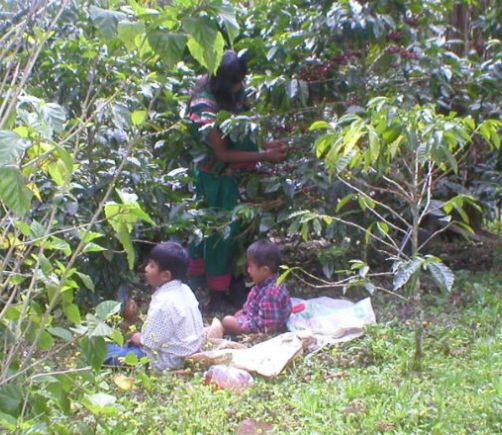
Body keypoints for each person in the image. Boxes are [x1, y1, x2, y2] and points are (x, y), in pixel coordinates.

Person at [187, 50, 287, 298]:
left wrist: (266, 145)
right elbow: (222, 153)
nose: (242, 85)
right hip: (216, 181)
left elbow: (241, 130)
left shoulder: (232, 91)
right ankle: (217, 290)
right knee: (220, 234)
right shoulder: (204, 106)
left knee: (239, 232)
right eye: (237, 81)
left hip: (239, 176)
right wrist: (265, 155)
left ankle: (236, 280)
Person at [105, 242, 204, 371]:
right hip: (185, 353)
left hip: (166, 360)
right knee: (122, 349)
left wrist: (138, 337)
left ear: (165, 275)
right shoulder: (185, 290)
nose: (146, 268)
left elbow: (150, 342)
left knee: (108, 353)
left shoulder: (163, 302)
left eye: (152, 266)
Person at [219, 239, 292, 335]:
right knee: (235, 315)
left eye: (250, 267)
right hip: (255, 315)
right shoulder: (266, 283)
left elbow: (268, 325)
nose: (248, 270)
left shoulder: (271, 293)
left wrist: (246, 326)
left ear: (264, 270)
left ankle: (224, 329)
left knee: (227, 321)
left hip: (258, 325)